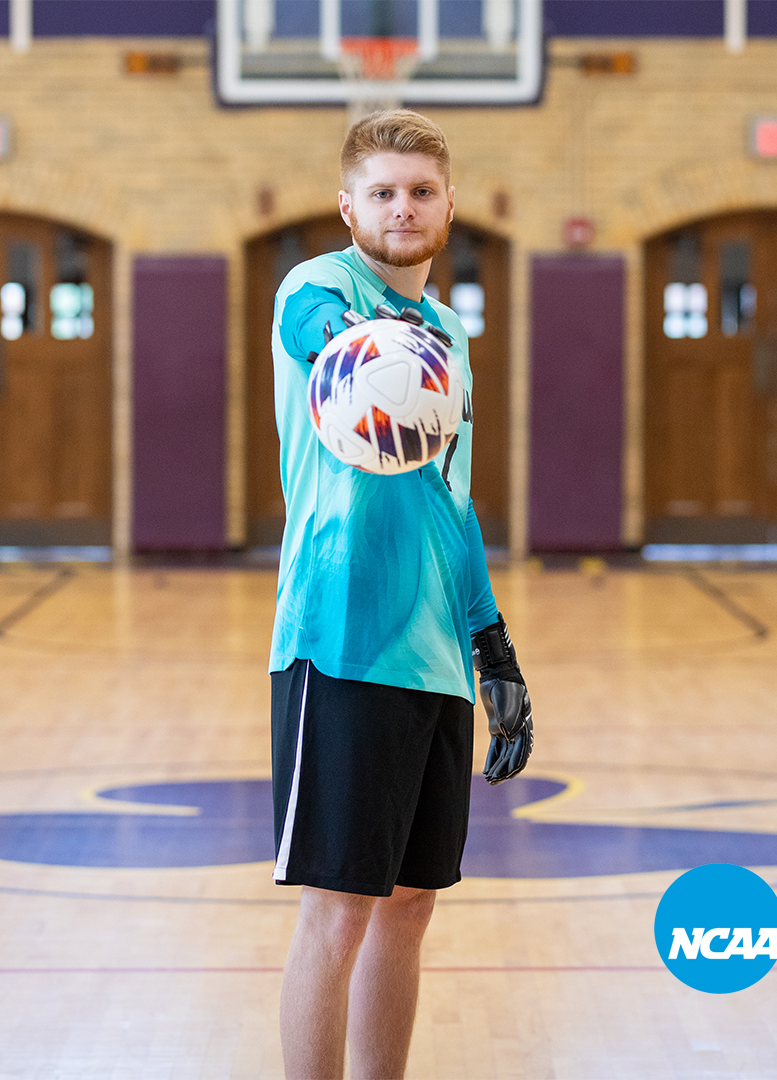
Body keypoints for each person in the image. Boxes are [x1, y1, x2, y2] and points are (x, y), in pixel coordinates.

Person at [268, 109, 533, 1080]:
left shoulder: (452, 335)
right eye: (381, 191)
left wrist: (492, 647)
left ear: (451, 203)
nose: (403, 208)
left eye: (421, 190)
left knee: (413, 904)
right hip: (337, 643)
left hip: (435, 660)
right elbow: (315, 333)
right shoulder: (318, 291)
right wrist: (365, 338)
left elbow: (448, 504)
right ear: (348, 206)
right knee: (338, 910)